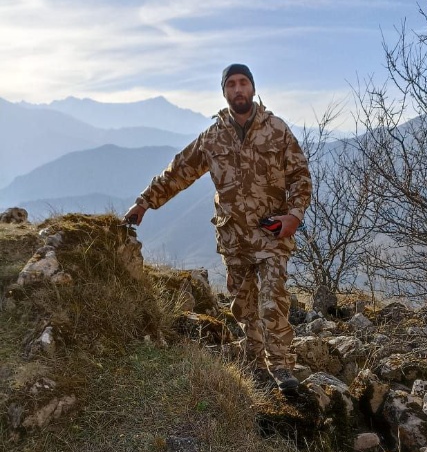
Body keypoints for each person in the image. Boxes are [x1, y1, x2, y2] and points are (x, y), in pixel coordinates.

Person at [125, 64, 312, 395]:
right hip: (233, 237)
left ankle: (282, 367)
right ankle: (256, 363)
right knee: (243, 306)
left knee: (273, 299)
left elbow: (300, 176)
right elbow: (177, 173)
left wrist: (293, 216)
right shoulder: (212, 138)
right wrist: (144, 202)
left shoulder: (278, 130)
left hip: (271, 235)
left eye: (243, 83)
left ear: (253, 88)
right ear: (224, 91)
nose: (238, 89)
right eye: (231, 84)